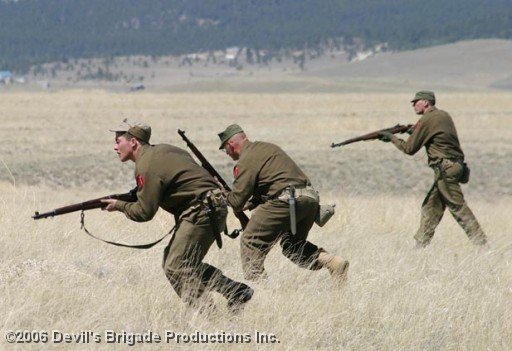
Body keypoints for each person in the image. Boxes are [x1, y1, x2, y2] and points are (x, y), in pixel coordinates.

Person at [101, 119, 253, 312]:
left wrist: (119, 206)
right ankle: (236, 292)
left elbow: (144, 212)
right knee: (179, 262)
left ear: (133, 142)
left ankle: (210, 319)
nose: (115, 147)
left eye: (118, 140)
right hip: (210, 207)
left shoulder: (145, 165)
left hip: (201, 210)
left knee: (176, 266)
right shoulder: (166, 150)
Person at [217, 124, 349, 281]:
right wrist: (250, 204)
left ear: (231, 144)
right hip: (309, 200)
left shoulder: (246, 159)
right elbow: (273, 182)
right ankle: (333, 262)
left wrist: (220, 192)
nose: (227, 154)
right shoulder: (266, 148)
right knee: (293, 246)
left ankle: (260, 291)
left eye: (225, 149)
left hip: (286, 200)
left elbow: (236, 201)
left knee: (250, 241)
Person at [378, 91, 487, 248]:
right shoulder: (443, 115)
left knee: (457, 207)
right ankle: (421, 245)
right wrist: (411, 130)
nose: (413, 104)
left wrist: (391, 138)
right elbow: (435, 133)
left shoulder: (426, 119)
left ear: (426, 103)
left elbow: (409, 149)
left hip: (445, 169)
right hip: (455, 167)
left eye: (416, 102)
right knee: (431, 206)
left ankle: (481, 243)